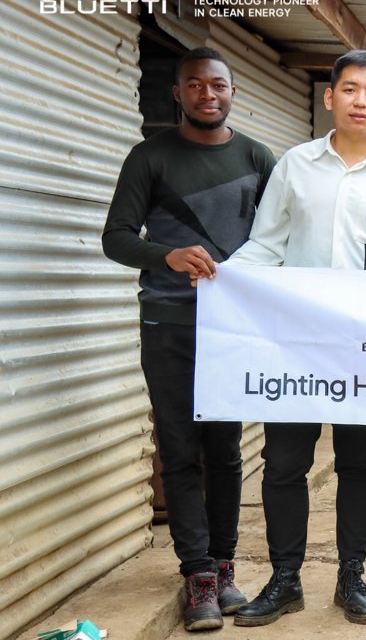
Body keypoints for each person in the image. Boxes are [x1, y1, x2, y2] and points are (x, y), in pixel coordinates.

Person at [223, 49, 366, 627]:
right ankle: (284, 580)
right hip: (296, 344)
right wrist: (223, 280)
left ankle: (351, 577)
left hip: (363, 348)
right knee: (284, 462)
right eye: (350, 89)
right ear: (330, 97)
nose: (361, 101)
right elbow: (266, 244)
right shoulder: (296, 165)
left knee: (359, 461)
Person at [102, 47, 274, 632]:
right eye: (195, 85)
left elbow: (281, 235)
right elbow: (116, 238)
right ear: (177, 93)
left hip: (232, 326)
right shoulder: (149, 156)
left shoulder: (257, 157)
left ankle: (224, 569)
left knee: (225, 450)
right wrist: (167, 256)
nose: (208, 94)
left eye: (218, 85)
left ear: (233, 92)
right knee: (178, 448)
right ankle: (197, 574)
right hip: (168, 322)